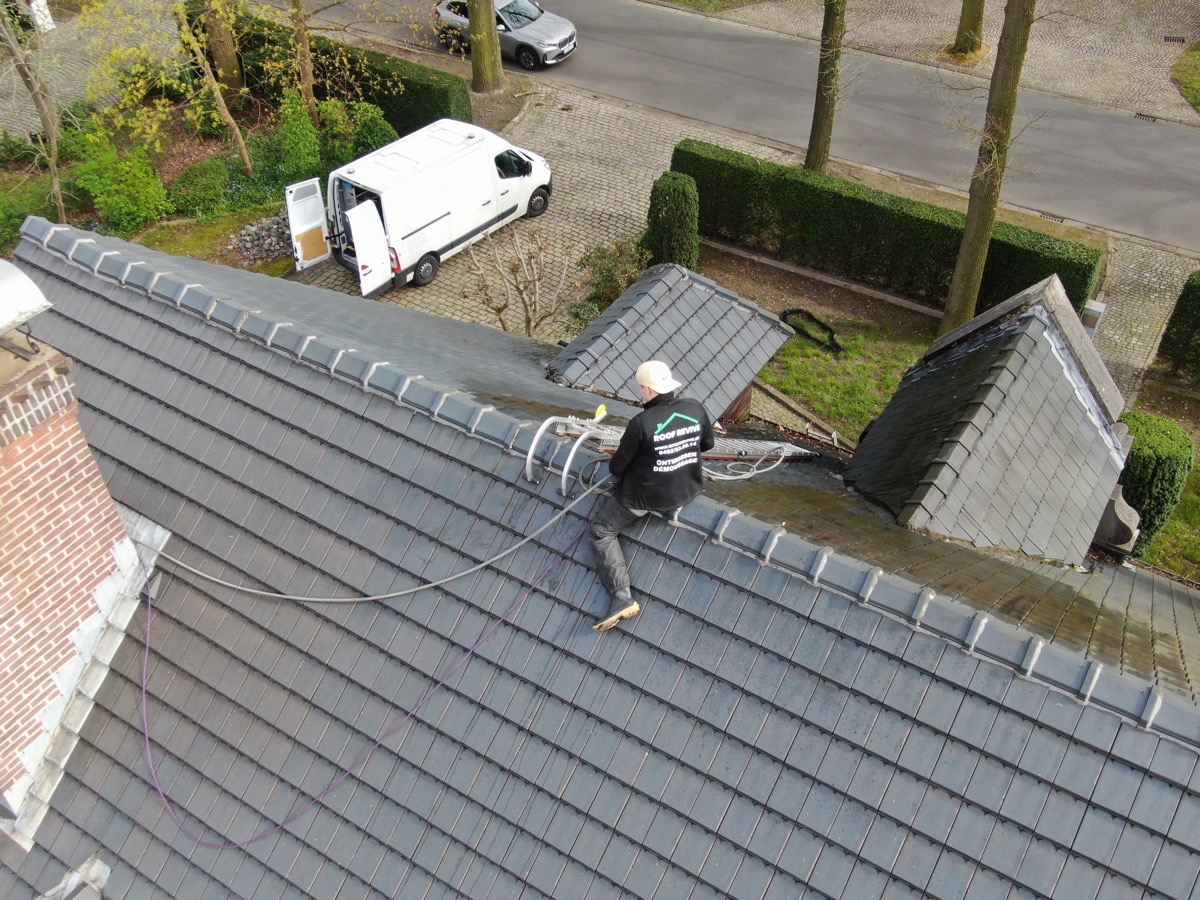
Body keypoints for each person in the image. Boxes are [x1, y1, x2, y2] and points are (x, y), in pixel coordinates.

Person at [590, 360, 715, 631]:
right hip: (688, 487)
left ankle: (622, 598)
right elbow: (706, 444)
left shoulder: (641, 423)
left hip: (649, 497)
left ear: (646, 389)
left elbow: (616, 468)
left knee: (601, 531)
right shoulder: (694, 408)